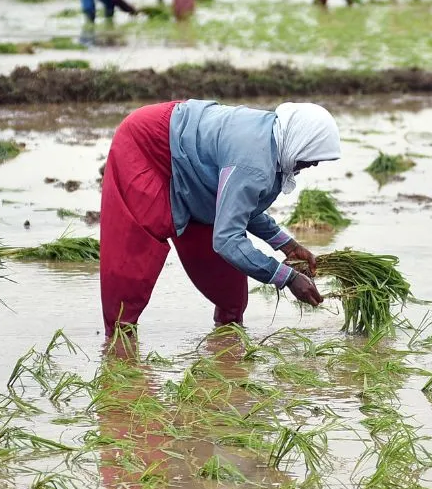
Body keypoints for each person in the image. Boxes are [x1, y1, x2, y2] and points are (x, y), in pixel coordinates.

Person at [99, 100, 342, 337]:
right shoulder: (253, 163)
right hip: (150, 146)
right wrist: (286, 278)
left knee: (231, 296)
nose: (315, 163)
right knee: (134, 257)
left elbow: (242, 204)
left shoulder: (276, 142)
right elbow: (226, 239)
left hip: (194, 165)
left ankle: (227, 346)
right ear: (299, 141)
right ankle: (119, 348)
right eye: (313, 156)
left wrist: (287, 245)